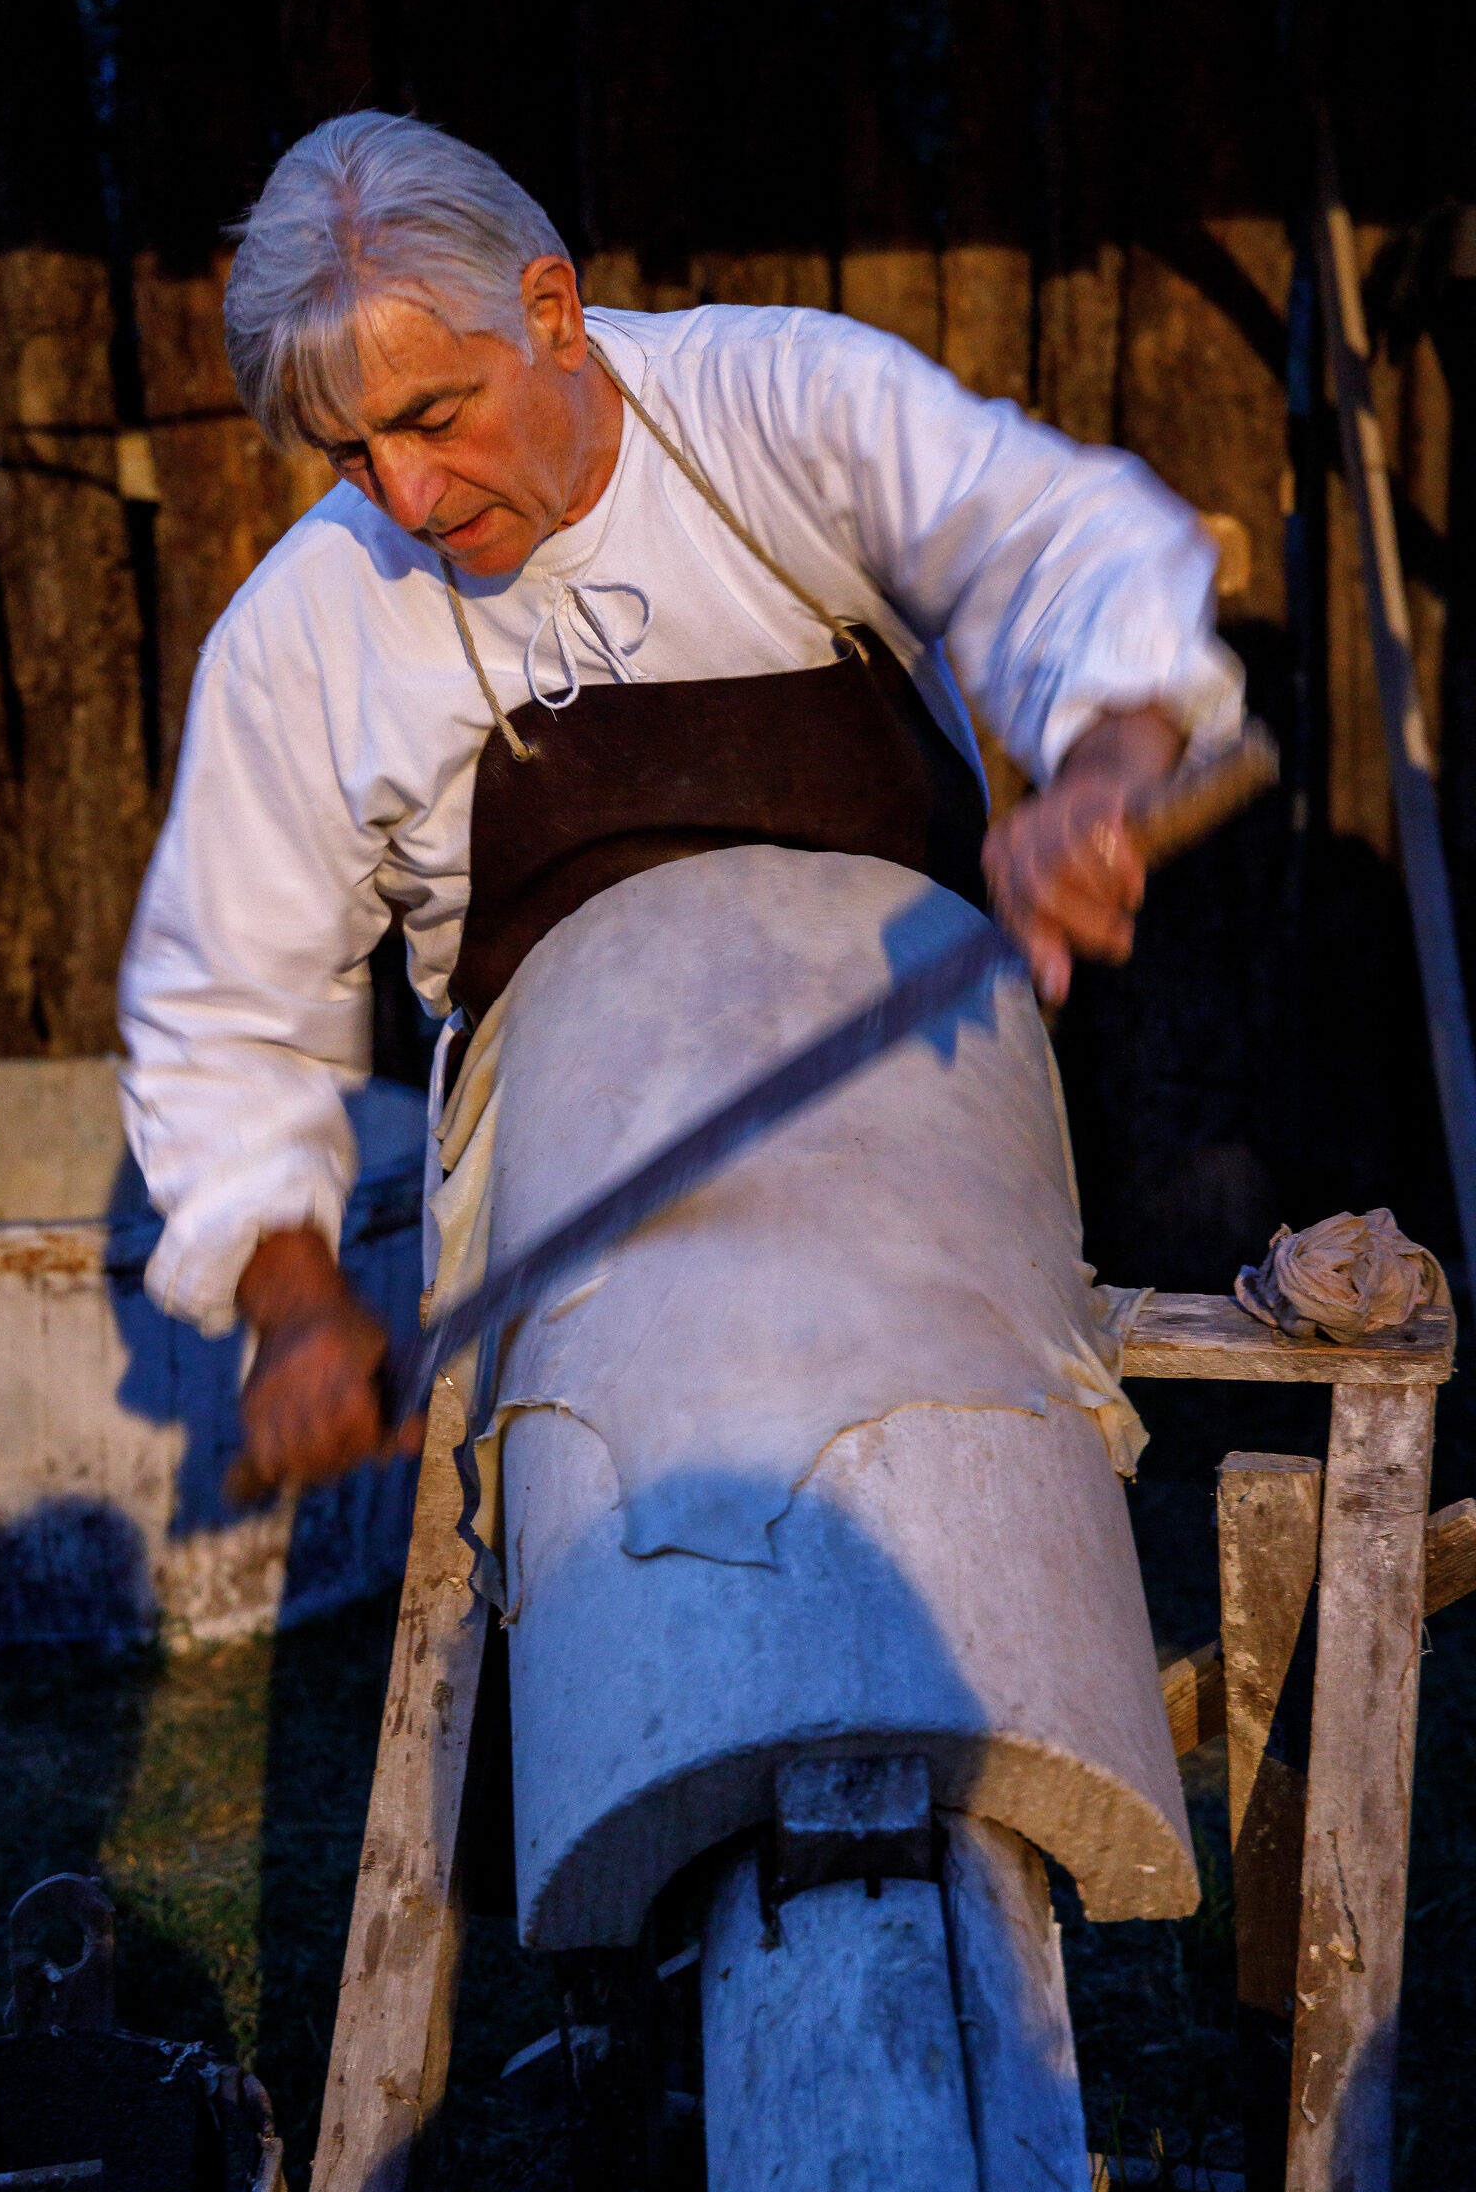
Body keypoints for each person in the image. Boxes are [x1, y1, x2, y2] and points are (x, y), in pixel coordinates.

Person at [117, 109, 1242, 1497]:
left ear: (553, 313)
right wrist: (293, 1308)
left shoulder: (778, 405)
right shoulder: (305, 633)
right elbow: (220, 1007)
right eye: (350, 454)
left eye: (432, 417)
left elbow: (1075, 547)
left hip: (922, 1148)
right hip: (575, 1226)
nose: (404, 494)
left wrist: (1105, 777)